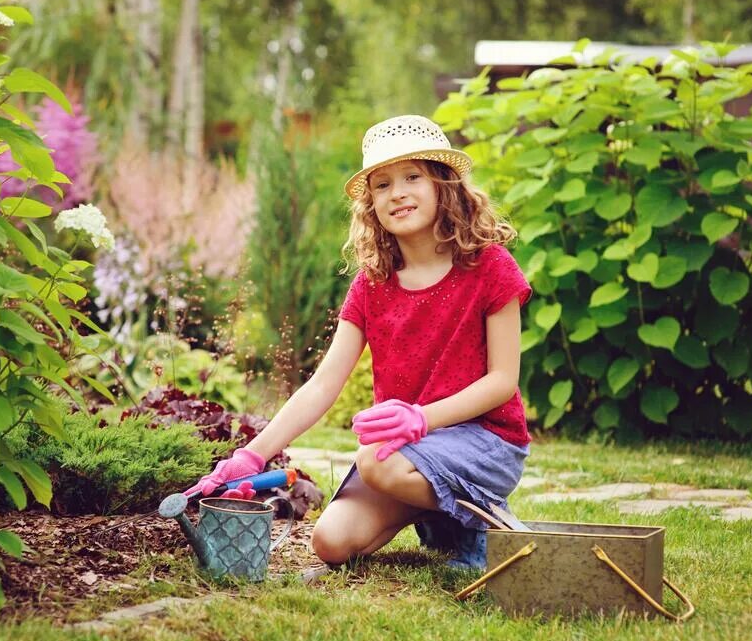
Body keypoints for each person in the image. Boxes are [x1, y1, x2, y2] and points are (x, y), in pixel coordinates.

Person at [184, 115, 532, 570]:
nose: (398, 193)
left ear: (444, 184)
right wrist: (251, 454)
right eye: (382, 184)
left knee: (376, 462)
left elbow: (502, 381)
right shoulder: (373, 285)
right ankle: (442, 516)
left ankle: (479, 534)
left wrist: (422, 418)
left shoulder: (489, 266)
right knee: (330, 542)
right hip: (405, 453)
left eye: (413, 177)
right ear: (371, 204)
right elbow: (322, 385)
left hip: (484, 441)